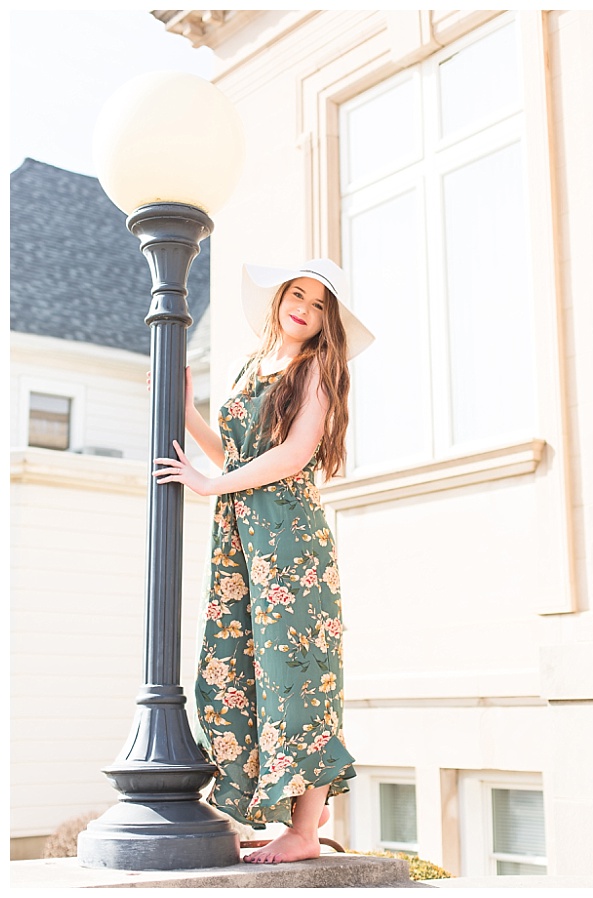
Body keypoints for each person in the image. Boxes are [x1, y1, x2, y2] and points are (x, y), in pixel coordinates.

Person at [153, 258, 374, 862]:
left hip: (289, 541)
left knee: (299, 674)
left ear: (327, 320)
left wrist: (207, 485)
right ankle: (286, 813)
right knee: (237, 667)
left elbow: (293, 455)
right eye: (296, 293)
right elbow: (240, 453)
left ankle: (304, 831)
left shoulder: (316, 373)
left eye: (319, 303)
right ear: (279, 298)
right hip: (241, 539)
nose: (303, 306)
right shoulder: (250, 367)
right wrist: (189, 412)